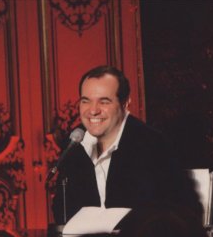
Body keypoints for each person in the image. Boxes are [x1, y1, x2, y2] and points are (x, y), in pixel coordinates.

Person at [51, 65, 199, 224]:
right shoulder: (75, 143)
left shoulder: (153, 144)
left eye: (104, 101)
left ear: (125, 103)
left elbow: (181, 209)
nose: (93, 111)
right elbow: (62, 210)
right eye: (86, 101)